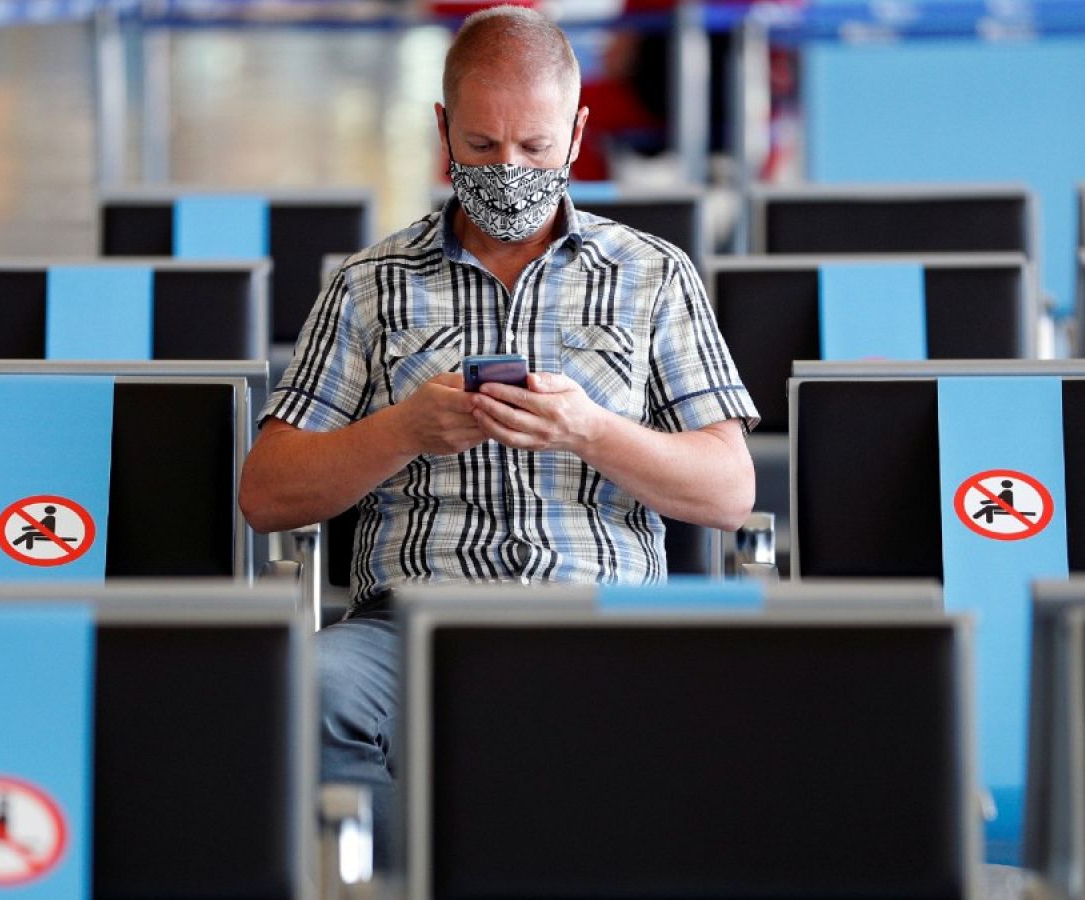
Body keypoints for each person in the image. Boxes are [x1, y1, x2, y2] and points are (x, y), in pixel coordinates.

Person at [237, 4, 759, 865]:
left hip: (610, 619)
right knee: (303, 691)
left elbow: (729, 492)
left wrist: (590, 430)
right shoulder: (370, 286)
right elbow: (266, 494)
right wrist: (403, 428)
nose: (509, 171)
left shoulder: (653, 276)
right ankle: (405, 874)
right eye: (481, 148)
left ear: (578, 130)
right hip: (409, 626)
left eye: (535, 148)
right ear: (443, 129)